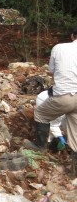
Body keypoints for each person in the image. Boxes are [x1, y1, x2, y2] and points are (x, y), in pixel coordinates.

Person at [34, 28, 77, 171]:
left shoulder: (59, 48)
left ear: (72, 35)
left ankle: (40, 149)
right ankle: (74, 172)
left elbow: (52, 70)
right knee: (75, 133)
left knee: (41, 114)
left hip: (64, 96)